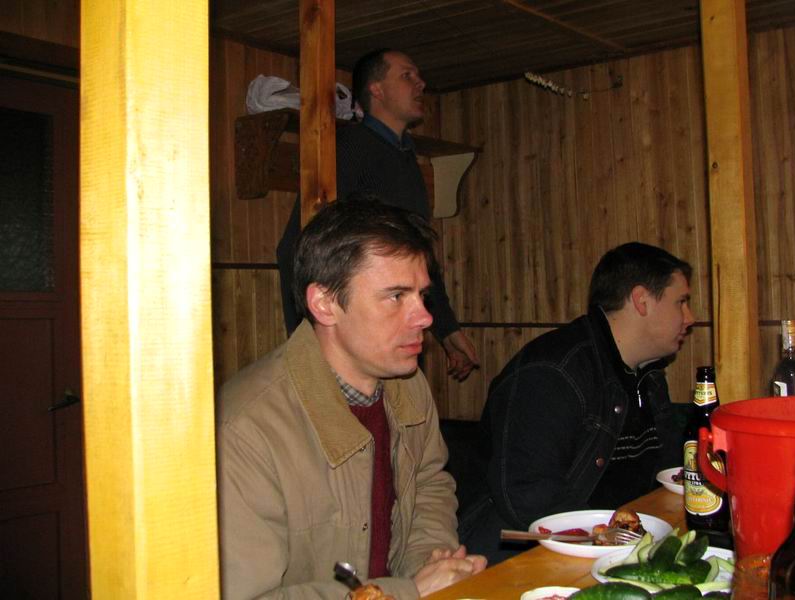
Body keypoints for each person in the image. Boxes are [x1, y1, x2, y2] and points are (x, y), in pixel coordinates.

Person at [219, 196, 487, 599]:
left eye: (422, 295)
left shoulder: (408, 383)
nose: (425, 317)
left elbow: (428, 484)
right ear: (325, 304)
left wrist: (430, 566)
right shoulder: (244, 430)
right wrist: (406, 591)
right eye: (396, 296)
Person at [459, 242, 695, 564]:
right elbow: (526, 497)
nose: (690, 318)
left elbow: (666, 471)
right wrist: (612, 543)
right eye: (681, 302)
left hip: (612, 548)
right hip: (521, 556)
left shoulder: (648, 374)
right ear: (641, 300)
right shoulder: (552, 372)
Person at [277, 48, 479, 381]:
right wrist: (309, 347)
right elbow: (296, 247)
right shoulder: (350, 146)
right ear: (377, 89)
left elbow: (417, 259)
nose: (421, 83)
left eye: (418, 76)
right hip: (353, 348)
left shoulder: (405, 155)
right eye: (407, 75)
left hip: (399, 340)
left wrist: (447, 330)